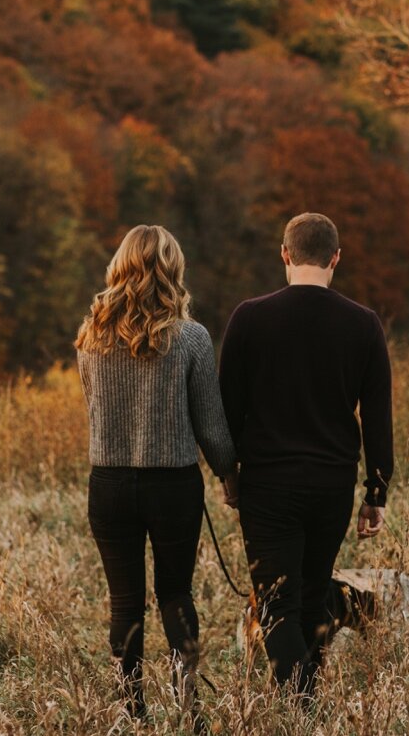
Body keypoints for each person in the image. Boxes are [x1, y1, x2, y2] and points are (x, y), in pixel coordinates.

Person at [220, 212, 394, 699]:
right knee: (312, 596)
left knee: (278, 607)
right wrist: (376, 491)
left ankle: (305, 708)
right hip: (331, 485)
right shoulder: (363, 324)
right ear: (336, 258)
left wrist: (229, 474)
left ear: (284, 254)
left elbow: (228, 408)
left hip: (267, 485)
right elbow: (377, 416)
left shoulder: (249, 318)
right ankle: (308, 707)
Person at [75, 224, 239, 726]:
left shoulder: (90, 335)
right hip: (172, 485)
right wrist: (230, 475)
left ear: (120, 266)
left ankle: (133, 713)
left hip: (109, 483)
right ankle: (190, 710)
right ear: (173, 269)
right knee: (175, 593)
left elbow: (95, 409)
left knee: (124, 601)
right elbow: (211, 424)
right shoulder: (190, 337)